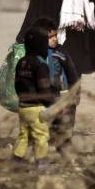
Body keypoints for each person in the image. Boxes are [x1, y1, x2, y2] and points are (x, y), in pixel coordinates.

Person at [11, 27, 57, 170]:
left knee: (23, 135)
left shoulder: (22, 62)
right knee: (41, 135)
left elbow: (17, 84)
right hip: (37, 108)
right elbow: (44, 87)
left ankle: (15, 160)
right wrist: (51, 101)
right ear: (41, 45)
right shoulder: (40, 64)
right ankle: (42, 164)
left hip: (23, 106)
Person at [32, 17, 79, 155]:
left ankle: (63, 145)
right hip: (42, 96)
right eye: (50, 37)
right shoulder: (34, 55)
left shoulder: (61, 53)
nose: (54, 39)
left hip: (60, 94)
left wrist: (76, 92)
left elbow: (72, 74)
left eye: (55, 35)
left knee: (65, 120)